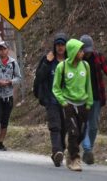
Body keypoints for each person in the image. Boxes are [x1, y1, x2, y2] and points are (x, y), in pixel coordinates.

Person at [79, 35, 107, 164]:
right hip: (81, 98)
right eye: (85, 50)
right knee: (84, 125)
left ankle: (89, 150)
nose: (87, 53)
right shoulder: (76, 59)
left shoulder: (98, 57)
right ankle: (87, 150)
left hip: (96, 97)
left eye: (89, 50)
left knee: (93, 126)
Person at [52, 39, 93, 171]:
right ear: (73, 52)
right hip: (68, 103)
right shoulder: (62, 67)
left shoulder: (85, 65)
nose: (82, 52)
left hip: (83, 104)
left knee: (81, 133)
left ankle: (70, 153)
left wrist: (89, 102)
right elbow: (56, 88)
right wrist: (63, 102)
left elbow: (88, 86)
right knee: (73, 132)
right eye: (80, 50)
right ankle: (75, 159)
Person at [34, 33, 68, 166]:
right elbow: (39, 77)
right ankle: (57, 151)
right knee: (55, 127)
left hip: (66, 100)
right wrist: (47, 62)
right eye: (58, 45)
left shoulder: (70, 61)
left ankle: (59, 151)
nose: (60, 47)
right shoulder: (48, 59)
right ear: (55, 46)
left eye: (62, 45)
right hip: (51, 99)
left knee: (64, 128)